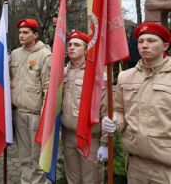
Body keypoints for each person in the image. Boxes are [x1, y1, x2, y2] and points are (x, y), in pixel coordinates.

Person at [101, 22, 171, 184]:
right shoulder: (126, 77)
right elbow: (120, 110)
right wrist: (115, 122)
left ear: (165, 46)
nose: (144, 45)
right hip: (136, 165)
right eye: (141, 41)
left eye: (151, 41)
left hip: (166, 167)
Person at [61, 31, 108, 184]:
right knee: (73, 179)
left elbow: (106, 112)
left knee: (91, 180)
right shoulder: (64, 72)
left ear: (86, 49)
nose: (71, 48)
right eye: (70, 44)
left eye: (77, 45)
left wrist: (105, 143)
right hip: (68, 136)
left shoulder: (97, 74)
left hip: (89, 138)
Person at [10, 18, 51, 184]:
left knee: (38, 158)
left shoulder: (45, 55)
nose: (21, 35)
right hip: (19, 112)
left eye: (25, 32)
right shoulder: (14, 54)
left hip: (36, 116)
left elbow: (48, 88)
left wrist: (45, 118)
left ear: (35, 35)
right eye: (20, 32)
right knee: (24, 157)